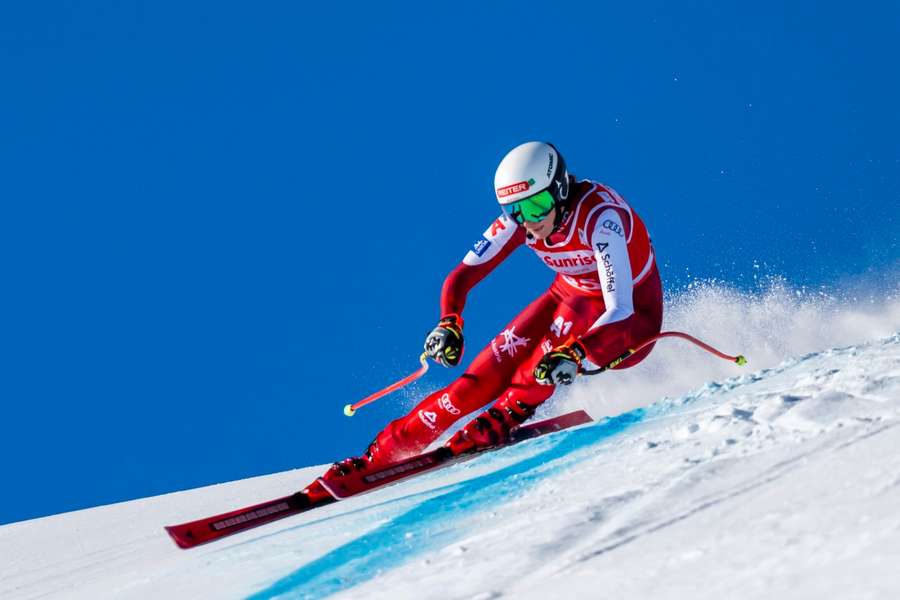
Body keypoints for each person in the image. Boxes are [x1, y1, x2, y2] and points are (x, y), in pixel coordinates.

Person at [307, 141, 663, 494]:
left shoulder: (602, 220)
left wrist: (578, 351)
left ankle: (501, 417)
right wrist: (449, 321)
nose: (529, 221)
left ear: (560, 190)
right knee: (472, 385)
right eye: (515, 210)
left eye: (537, 205)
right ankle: (381, 454)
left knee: (536, 366)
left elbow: (621, 308)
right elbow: (461, 277)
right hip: (568, 297)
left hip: (628, 324)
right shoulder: (522, 223)